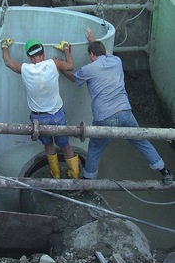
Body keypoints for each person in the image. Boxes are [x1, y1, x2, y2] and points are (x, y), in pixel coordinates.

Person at [62, 28, 173, 185]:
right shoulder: (116, 61)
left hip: (105, 118)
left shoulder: (89, 69)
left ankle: (87, 181)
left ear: (91, 55)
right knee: (142, 141)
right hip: (125, 113)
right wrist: (93, 40)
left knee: (95, 148)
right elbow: (105, 52)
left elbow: (73, 78)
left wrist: (59, 67)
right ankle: (165, 172)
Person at [1, 37, 79, 179]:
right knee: (65, 146)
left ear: (30, 57)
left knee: (48, 145)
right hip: (57, 116)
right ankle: (74, 176)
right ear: (43, 54)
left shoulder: (25, 69)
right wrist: (66, 48)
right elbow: (70, 65)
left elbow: (9, 63)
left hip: (39, 119)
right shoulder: (53, 64)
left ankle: (55, 175)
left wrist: (4, 46)